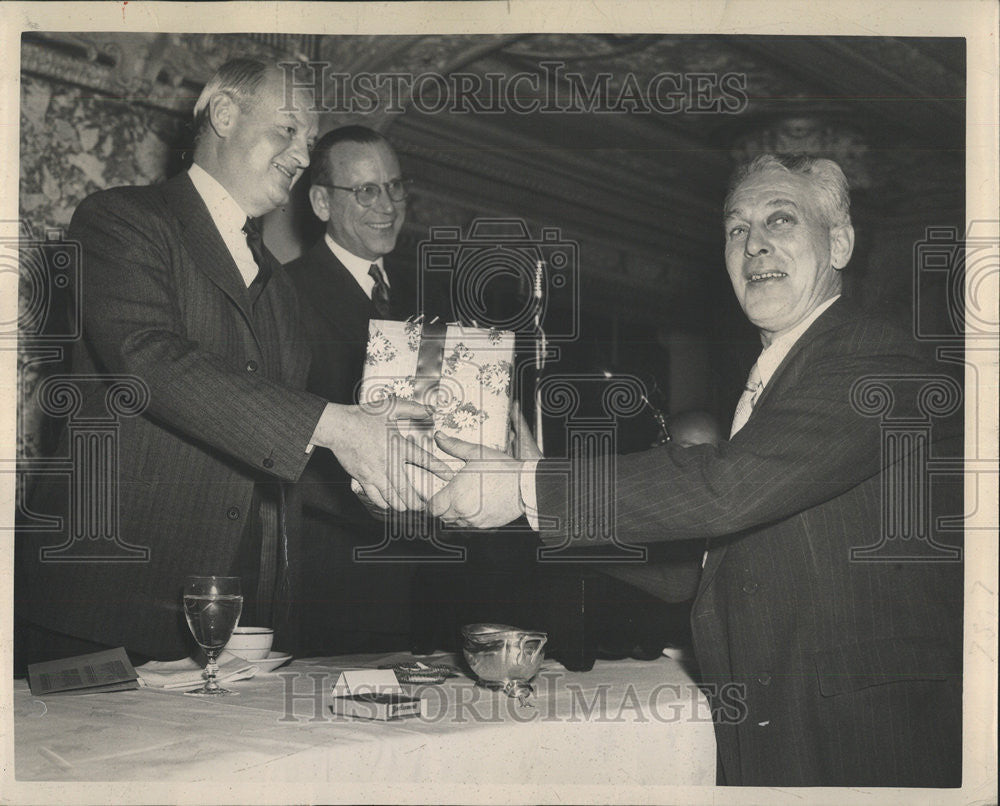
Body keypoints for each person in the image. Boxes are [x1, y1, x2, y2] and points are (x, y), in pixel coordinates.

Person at [421, 154, 963, 787]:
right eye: (737, 229)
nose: (754, 243)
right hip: (787, 716)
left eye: (781, 220)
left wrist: (523, 489)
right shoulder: (776, 377)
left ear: (839, 242)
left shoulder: (871, 356)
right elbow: (695, 565)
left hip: (867, 732)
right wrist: (531, 482)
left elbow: (724, 490)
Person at [15, 60, 442, 668]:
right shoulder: (121, 221)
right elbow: (151, 363)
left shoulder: (279, 286)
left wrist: (385, 480)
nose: (301, 154)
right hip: (104, 606)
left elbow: (275, 451)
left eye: (310, 141)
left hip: (240, 627)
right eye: (288, 130)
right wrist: (338, 425)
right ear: (222, 114)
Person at [285, 126, 420, 653]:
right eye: (365, 190)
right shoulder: (282, 292)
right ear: (321, 202)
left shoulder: (430, 291)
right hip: (335, 575)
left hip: (432, 576)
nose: (386, 204)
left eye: (394, 186)